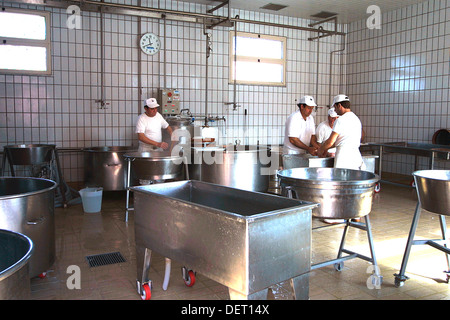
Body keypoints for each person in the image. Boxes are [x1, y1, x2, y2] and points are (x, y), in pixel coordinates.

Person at [317, 94, 366, 171]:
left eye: (335, 107)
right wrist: (326, 149)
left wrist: (320, 150)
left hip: (343, 158)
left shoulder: (340, 120)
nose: (335, 110)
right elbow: (341, 140)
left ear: (339, 105)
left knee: (341, 181)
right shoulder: (356, 119)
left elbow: (330, 141)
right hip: (356, 156)